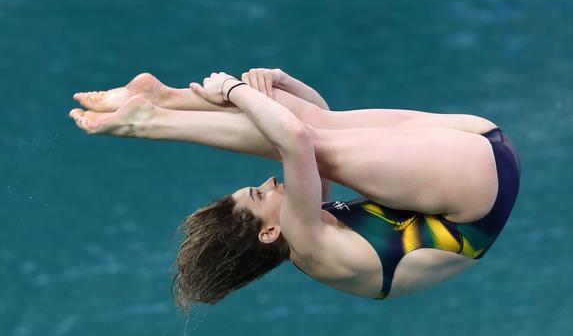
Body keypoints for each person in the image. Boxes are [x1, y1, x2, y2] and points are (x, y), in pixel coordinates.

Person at [69, 68, 521, 309]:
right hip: (476, 188)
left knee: (314, 128)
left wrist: (285, 85)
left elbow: (312, 121)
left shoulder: (305, 229)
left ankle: (163, 99)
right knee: (304, 143)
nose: (269, 185)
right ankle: (154, 121)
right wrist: (234, 90)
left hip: (479, 155)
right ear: (269, 233)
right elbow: (296, 142)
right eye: (260, 196)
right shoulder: (307, 244)